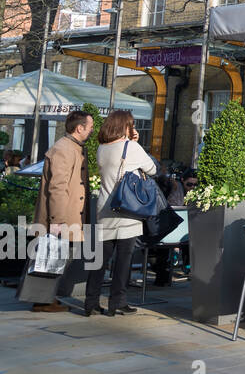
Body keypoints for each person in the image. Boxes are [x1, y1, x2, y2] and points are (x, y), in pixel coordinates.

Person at [90, 110, 157, 317]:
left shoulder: (102, 148)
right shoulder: (132, 147)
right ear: (125, 126)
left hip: (104, 208)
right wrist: (135, 143)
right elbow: (152, 169)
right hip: (127, 209)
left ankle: (90, 302)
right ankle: (117, 302)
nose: (133, 127)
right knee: (123, 259)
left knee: (100, 260)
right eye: (131, 124)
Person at [29, 110, 93, 313]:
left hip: (68, 217)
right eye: (90, 127)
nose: (92, 130)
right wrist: (57, 220)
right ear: (79, 128)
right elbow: (57, 187)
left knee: (58, 259)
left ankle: (46, 299)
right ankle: (42, 301)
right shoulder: (64, 149)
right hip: (62, 218)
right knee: (53, 259)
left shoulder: (71, 147)